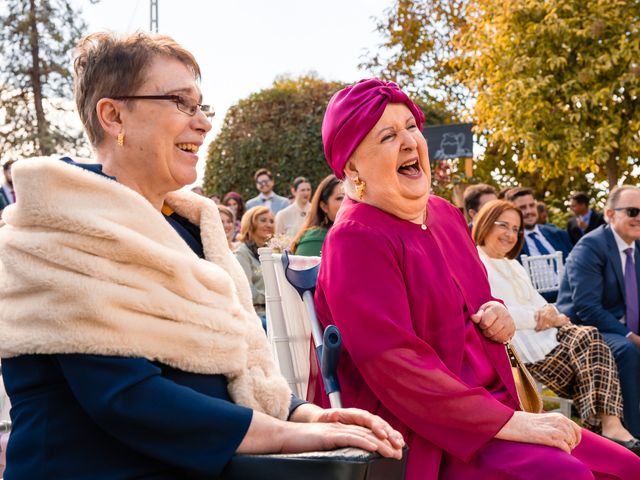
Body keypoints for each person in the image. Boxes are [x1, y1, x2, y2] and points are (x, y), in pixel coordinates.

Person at [0, 33, 404, 479]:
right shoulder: (58, 225)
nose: (203, 123)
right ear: (113, 115)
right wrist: (285, 435)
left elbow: (237, 364)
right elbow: (127, 398)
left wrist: (305, 415)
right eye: (180, 102)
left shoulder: (192, 229)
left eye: (200, 106)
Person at [310, 78, 640, 480]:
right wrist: (509, 423)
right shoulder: (355, 238)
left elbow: (479, 301)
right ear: (352, 165)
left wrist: (497, 313)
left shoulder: (444, 214)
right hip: (428, 431)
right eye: (388, 136)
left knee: (626, 467)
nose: (410, 142)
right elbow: (394, 366)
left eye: (412, 127)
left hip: (494, 406)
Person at [473, 199, 639, 452]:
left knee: (591, 340)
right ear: (485, 223)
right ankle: (609, 425)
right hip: (523, 349)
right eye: (503, 225)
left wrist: (550, 313)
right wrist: (540, 317)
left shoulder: (512, 264)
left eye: (516, 229)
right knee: (591, 340)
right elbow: (492, 311)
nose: (510, 234)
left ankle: (608, 427)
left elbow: (541, 305)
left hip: (549, 337)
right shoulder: (476, 262)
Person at [557, 185, 640, 439]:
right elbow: (586, 307)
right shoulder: (591, 247)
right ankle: (633, 435)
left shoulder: (637, 245)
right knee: (627, 350)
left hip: (623, 325)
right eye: (633, 211)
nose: (639, 217)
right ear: (610, 214)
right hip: (586, 328)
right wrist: (631, 336)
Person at [506, 187, 573, 302]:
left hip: (573, 298)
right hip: (540, 305)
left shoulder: (559, 234)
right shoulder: (510, 245)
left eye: (531, 205)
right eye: (522, 208)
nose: (529, 211)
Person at [235, 206, 275, 327]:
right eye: (263, 220)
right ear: (251, 224)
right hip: (256, 313)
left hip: (276, 310)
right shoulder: (242, 253)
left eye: (271, 221)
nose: (268, 224)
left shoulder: (274, 252)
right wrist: (273, 298)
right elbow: (246, 290)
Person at [290, 174, 344, 256]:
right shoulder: (314, 240)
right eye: (340, 198)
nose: (347, 202)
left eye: (350, 197)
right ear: (324, 206)